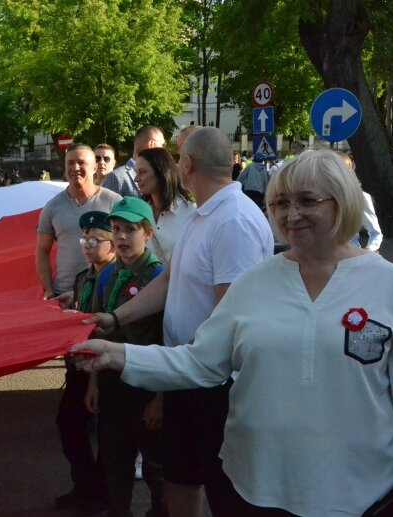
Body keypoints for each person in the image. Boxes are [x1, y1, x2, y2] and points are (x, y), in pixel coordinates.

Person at [71, 149, 393, 516]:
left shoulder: (389, 285)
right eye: (280, 203)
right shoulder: (255, 282)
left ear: (342, 201)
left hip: (362, 492)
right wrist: (119, 354)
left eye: (307, 201)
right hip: (257, 489)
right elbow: (202, 361)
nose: (291, 215)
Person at [80, 127, 273, 517]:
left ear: (186, 164)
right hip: (187, 376)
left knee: (224, 490)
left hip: (215, 387)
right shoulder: (203, 216)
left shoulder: (232, 221)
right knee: (181, 479)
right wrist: (115, 318)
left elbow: (231, 317)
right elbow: (169, 281)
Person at [36, 143, 121, 514]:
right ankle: (88, 484)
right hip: (71, 308)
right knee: (77, 404)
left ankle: (105, 488)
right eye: (70, 163)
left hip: (109, 305)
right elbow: (41, 250)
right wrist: (48, 292)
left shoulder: (115, 201)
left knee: (107, 408)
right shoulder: (54, 207)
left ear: (96, 167)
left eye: (82, 163)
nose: (75, 169)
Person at [86, 198, 166, 517]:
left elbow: (168, 340)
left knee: (157, 467)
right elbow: (95, 333)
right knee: (115, 461)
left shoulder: (158, 277)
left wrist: (160, 399)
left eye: (130, 230)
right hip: (112, 385)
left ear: (147, 233)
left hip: (147, 384)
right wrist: (93, 383)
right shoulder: (106, 277)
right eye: (116, 230)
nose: (121, 237)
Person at [134, 146, 195, 263]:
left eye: (142, 172)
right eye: (136, 172)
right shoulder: (138, 212)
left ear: (161, 172)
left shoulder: (191, 213)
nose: (136, 179)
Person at [103, 126, 165, 198]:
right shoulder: (116, 177)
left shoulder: (158, 175)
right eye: (162, 145)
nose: (164, 150)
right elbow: (106, 208)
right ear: (151, 144)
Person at [338, 151, 383, 252]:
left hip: (350, 254)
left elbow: (375, 233)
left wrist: (368, 250)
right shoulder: (319, 197)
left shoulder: (361, 197)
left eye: (341, 170)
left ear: (349, 170)